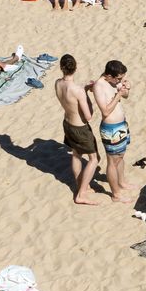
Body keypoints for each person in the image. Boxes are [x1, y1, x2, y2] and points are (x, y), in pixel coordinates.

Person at [55, 54, 100, 205]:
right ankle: (81, 193)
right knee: (94, 159)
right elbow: (88, 116)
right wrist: (86, 96)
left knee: (76, 155)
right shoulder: (77, 90)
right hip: (80, 127)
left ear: (61, 68)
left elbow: (70, 102)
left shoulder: (57, 84)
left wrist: (84, 91)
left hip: (67, 123)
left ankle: (82, 185)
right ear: (76, 68)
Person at [92, 60, 135, 203]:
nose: (120, 80)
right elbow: (105, 111)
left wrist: (126, 89)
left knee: (121, 156)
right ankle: (116, 194)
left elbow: (125, 96)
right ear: (109, 75)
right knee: (112, 161)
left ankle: (121, 182)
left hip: (121, 125)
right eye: (118, 78)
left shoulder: (113, 82)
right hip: (111, 129)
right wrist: (117, 95)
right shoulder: (99, 86)